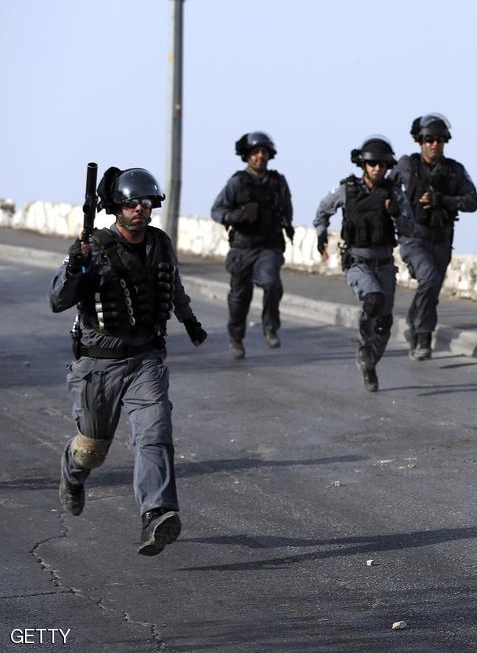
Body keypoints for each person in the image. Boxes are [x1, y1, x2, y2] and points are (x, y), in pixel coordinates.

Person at [50, 166, 208, 556]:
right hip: (98, 364)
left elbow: (173, 285)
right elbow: (58, 300)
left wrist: (189, 321)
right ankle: (72, 475)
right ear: (117, 208)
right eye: (132, 203)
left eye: (146, 202)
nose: (141, 209)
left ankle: (156, 513)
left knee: (155, 435)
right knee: (91, 450)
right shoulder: (94, 247)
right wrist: (74, 265)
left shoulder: (160, 243)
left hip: (145, 359)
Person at [313, 135, 412, 391]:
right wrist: (321, 234)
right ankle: (363, 346)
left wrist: (396, 214)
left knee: (384, 322)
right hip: (358, 261)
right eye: (372, 164)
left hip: (385, 263)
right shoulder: (348, 190)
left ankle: (369, 363)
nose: (377, 168)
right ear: (363, 165)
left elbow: (409, 228)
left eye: (382, 164)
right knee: (373, 299)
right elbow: (323, 210)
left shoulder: (394, 194)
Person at [388, 113, 477, 361]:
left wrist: (442, 200)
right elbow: (386, 190)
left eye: (439, 140)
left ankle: (413, 323)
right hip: (413, 238)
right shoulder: (407, 165)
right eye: (429, 140)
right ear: (420, 141)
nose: (434, 144)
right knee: (429, 279)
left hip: (442, 239)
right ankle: (424, 337)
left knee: (432, 288)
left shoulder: (454, 170)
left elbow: (472, 201)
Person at [210, 131, 294, 358]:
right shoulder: (237, 182)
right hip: (242, 248)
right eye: (255, 152)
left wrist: (282, 224)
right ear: (247, 156)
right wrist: (235, 216)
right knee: (239, 297)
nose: (260, 156)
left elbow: (287, 210)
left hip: (269, 246)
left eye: (264, 152)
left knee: (271, 283)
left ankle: (270, 327)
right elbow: (217, 210)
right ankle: (236, 337)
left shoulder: (278, 183)